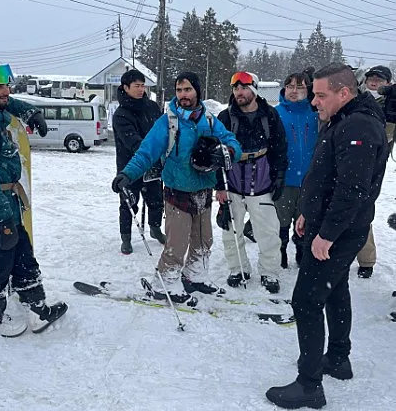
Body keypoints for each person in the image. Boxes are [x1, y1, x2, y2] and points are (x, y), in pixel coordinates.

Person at [266, 63, 388, 409]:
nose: (314, 101)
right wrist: (308, 211)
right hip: (331, 224)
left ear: (344, 93)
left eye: (321, 94)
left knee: (305, 300)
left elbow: (352, 189)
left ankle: (309, 385)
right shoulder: (344, 119)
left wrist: (327, 234)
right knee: (336, 289)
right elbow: (328, 175)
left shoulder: (358, 125)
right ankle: (337, 358)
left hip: (340, 230)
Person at [0, 55, 68, 337]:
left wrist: (30, 112)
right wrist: (1, 215)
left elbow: (6, 105)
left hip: (6, 205)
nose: (6, 90)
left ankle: (37, 306)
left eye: (7, 82)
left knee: (22, 257)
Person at [112, 72, 242, 304]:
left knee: (203, 240)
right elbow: (146, 152)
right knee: (177, 243)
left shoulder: (209, 120)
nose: (183, 95)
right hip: (177, 192)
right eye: (180, 90)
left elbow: (231, 141)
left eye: (188, 90)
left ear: (197, 91)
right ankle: (166, 282)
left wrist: (228, 152)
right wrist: (127, 174)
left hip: (203, 190)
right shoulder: (168, 122)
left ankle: (195, 276)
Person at [215, 72, 288, 294]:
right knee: (231, 230)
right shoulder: (225, 117)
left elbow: (280, 148)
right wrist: (219, 186)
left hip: (262, 180)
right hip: (232, 182)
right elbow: (215, 152)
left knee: (268, 232)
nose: (239, 92)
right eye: (236, 88)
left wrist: (279, 176)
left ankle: (269, 272)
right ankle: (238, 269)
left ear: (254, 89)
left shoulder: (270, 115)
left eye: (244, 87)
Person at [112, 69, 166, 254]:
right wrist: (150, 151)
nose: (141, 89)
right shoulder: (121, 114)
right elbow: (133, 142)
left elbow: (163, 131)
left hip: (154, 165)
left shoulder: (152, 107)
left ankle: (156, 228)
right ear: (126, 87)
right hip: (131, 166)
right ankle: (125, 238)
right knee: (129, 203)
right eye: (137, 86)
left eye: (143, 85)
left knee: (156, 200)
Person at [274, 71, 319, 269]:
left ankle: (302, 251)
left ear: (308, 90)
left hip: (311, 180)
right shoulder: (276, 113)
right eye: (290, 86)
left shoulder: (316, 113)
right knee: (281, 221)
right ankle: (280, 251)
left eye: (300, 87)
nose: (294, 91)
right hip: (284, 179)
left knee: (305, 221)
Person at [355, 66, 393, 278]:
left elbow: (385, 138)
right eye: (371, 78)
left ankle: (366, 259)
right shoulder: (356, 98)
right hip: (348, 157)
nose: (374, 82)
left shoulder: (390, 103)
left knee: (362, 209)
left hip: (372, 166)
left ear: (388, 83)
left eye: (380, 79)